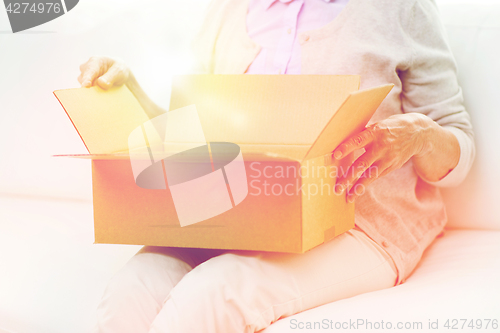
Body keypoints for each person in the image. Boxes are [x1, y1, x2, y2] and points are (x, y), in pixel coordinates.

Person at [78, 0, 475, 332]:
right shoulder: (226, 11)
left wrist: (420, 133)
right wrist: (132, 92)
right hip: (229, 215)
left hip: (361, 227)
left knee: (214, 293)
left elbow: (458, 143)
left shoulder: (398, 8)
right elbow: (189, 132)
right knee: (127, 293)